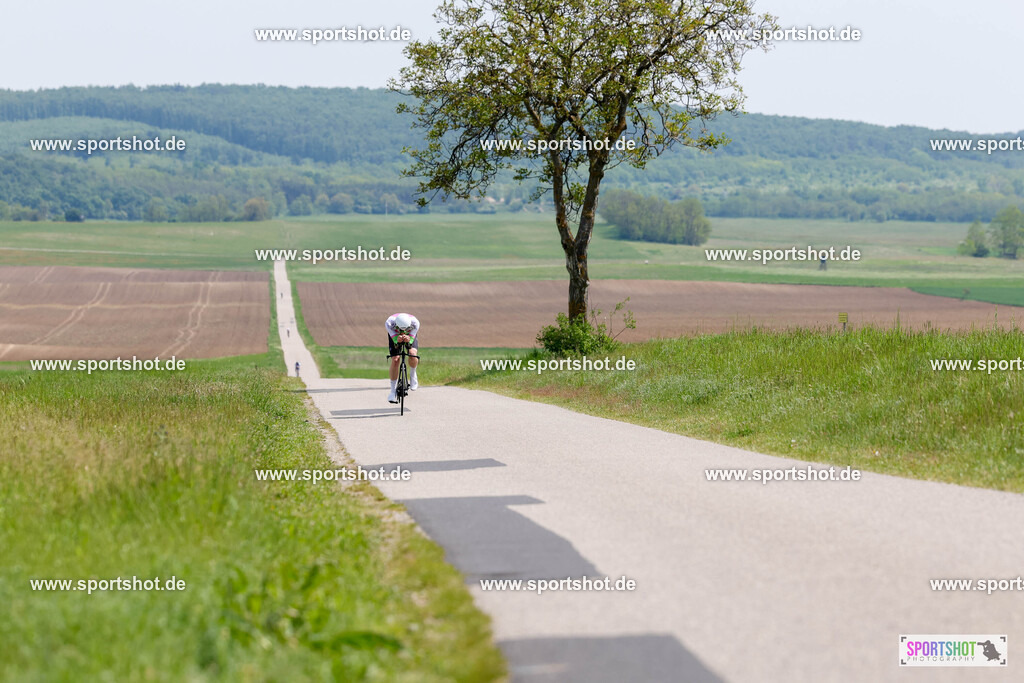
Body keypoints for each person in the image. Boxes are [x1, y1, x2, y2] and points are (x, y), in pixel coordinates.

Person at [385, 312, 420, 403]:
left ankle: (413, 375)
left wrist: (409, 339)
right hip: (395, 335)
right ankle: (392, 391)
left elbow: (410, 342)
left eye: (405, 329)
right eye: (400, 329)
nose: (402, 331)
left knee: (412, 353)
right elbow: (395, 342)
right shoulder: (389, 323)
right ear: (396, 325)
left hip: (410, 334)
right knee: (395, 359)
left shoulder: (415, 323)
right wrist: (397, 339)